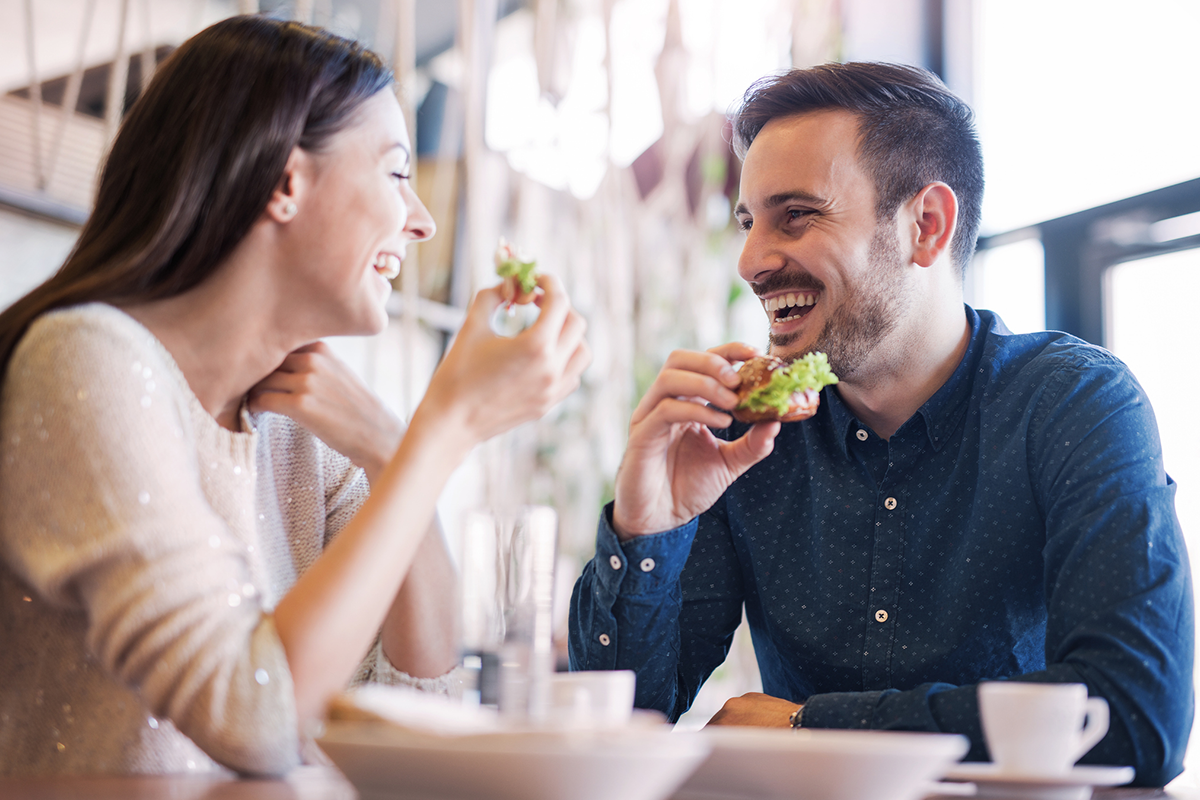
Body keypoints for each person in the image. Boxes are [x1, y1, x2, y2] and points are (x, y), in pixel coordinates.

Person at [569, 62, 1192, 786]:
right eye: (747, 221)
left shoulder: (1073, 405)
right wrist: (649, 527)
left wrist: (813, 727)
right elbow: (616, 729)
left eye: (795, 215)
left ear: (926, 226)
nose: (751, 260)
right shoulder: (741, 438)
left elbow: (1138, 716)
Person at [0, 16, 589, 776]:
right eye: (396, 172)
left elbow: (423, 704)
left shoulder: (297, 431)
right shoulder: (84, 359)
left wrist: (391, 447)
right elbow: (257, 717)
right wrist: (445, 430)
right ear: (285, 181)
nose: (422, 221)